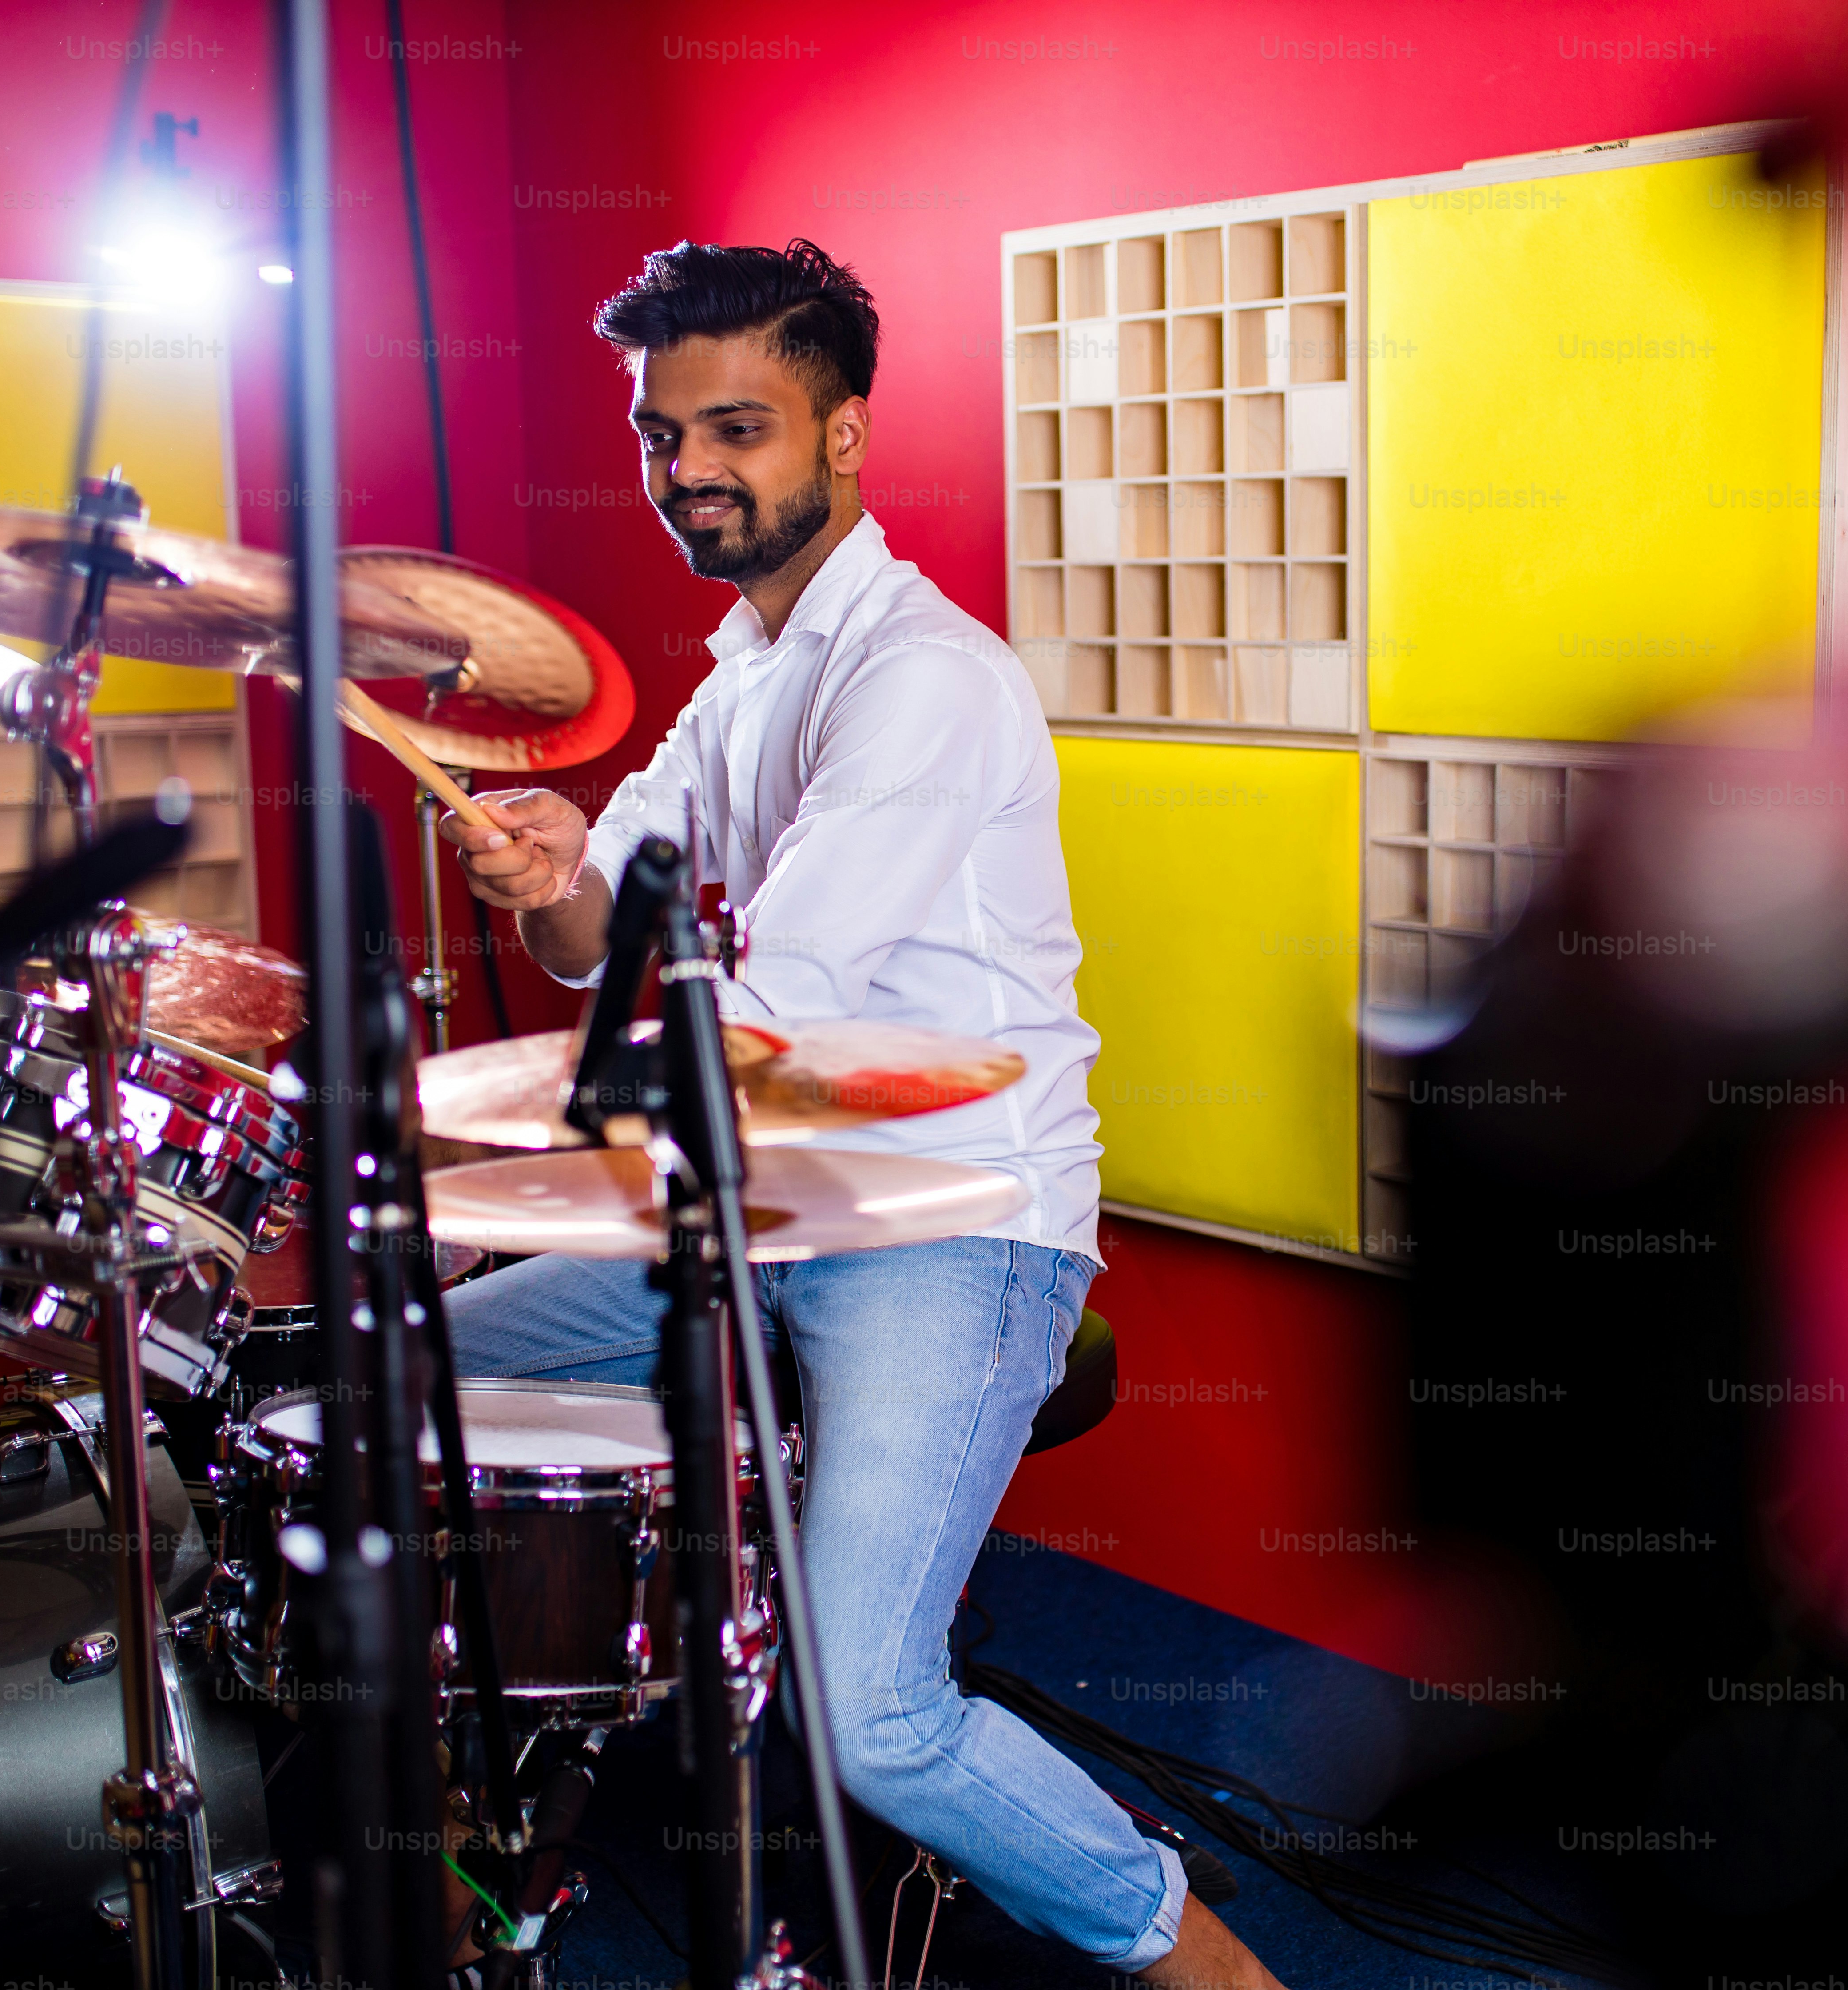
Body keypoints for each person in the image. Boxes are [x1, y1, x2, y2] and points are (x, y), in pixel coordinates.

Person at [437, 239, 1293, 1990]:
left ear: (843, 435)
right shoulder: (744, 673)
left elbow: (764, 1007)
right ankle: (583, 1731)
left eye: (734, 426)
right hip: (776, 1201)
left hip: (956, 1223)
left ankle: (1195, 1950)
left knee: (877, 1709)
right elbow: (604, 922)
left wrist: (580, 1074)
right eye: (663, 432)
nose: (688, 469)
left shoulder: (923, 678)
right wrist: (545, 870)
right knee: (429, 1368)